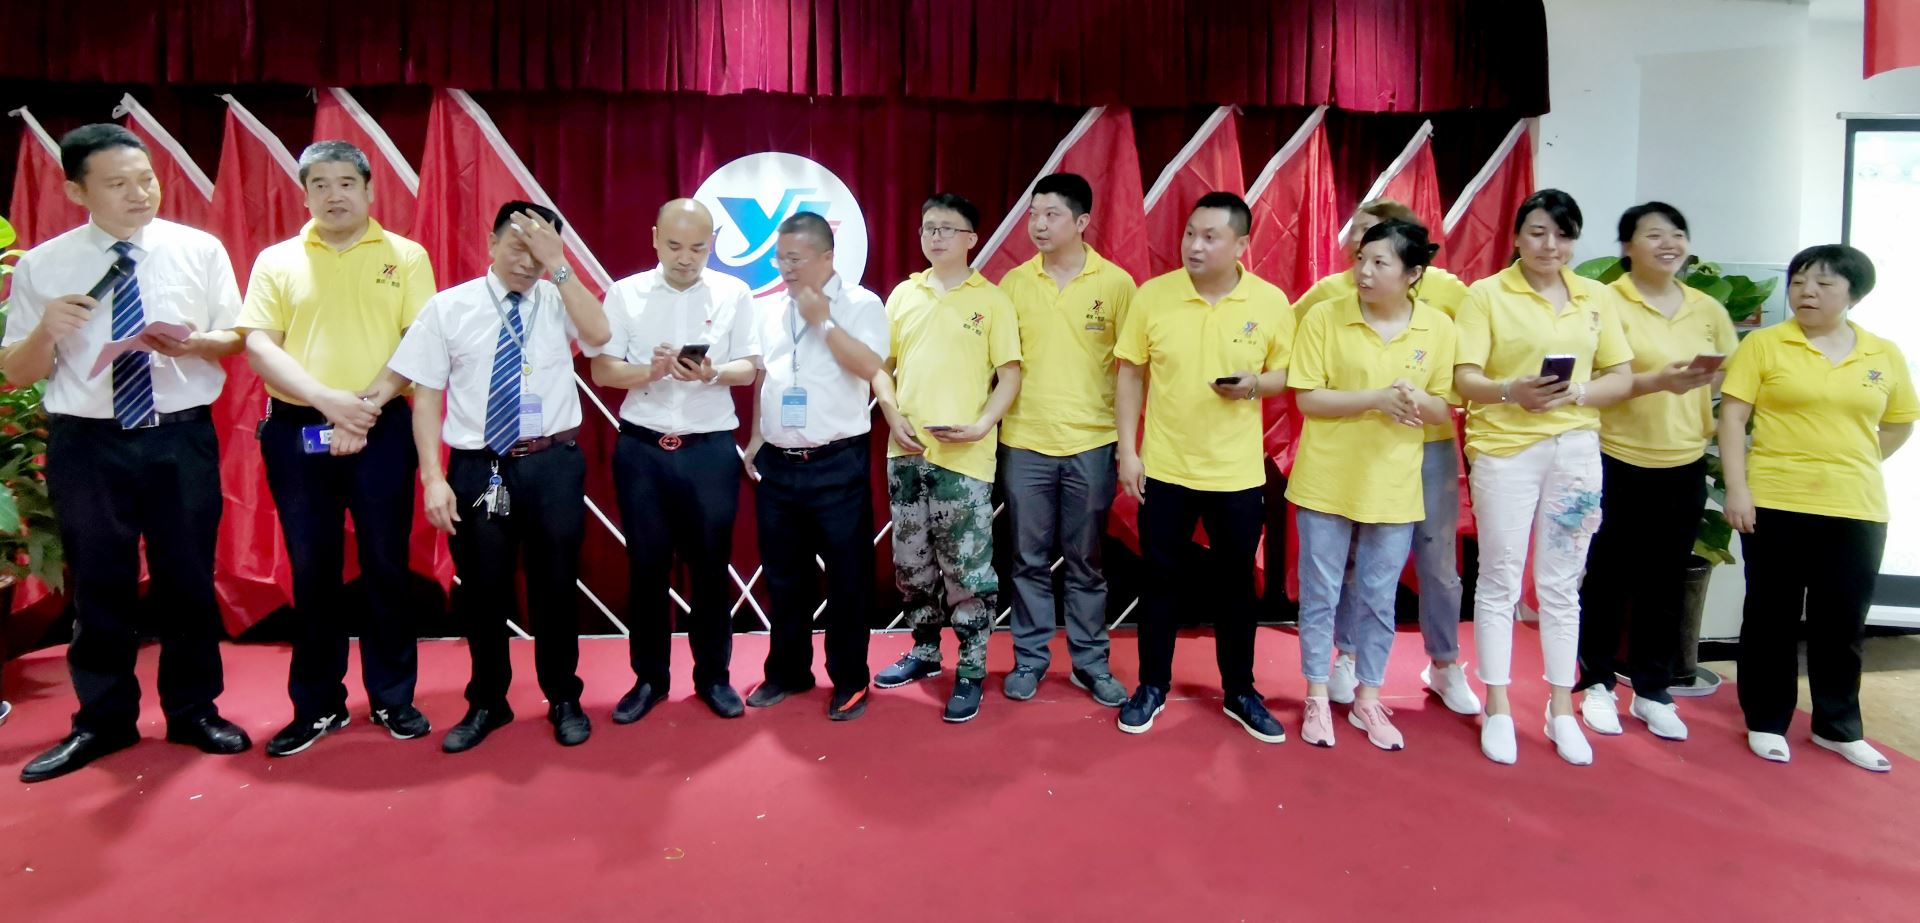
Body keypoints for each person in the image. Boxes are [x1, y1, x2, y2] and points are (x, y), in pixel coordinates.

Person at [7, 124, 249, 782]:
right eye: (118, 184)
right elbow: (16, 372)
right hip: (87, 442)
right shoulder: (43, 265)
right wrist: (46, 331)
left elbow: (234, 336)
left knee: (188, 579)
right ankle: (104, 718)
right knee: (99, 582)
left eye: (146, 179)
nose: (140, 193)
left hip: (178, 434)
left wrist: (193, 344)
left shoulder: (197, 249)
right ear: (76, 191)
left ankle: (194, 709)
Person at [373, 202, 610, 752]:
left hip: (552, 462)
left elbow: (600, 334)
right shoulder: (449, 307)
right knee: (483, 591)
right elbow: (426, 394)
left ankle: (563, 696)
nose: (527, 262)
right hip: (480, 466)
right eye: (517, 247)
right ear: (491, 243)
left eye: (538, 252)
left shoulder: (559, 297)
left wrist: (560, 264)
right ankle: (487, 701)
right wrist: (433, 477)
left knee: (555, 587)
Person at [239, 140, 436, 758]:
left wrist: (363, 408)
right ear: (304, 195)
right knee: (312, 569)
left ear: (369, 190)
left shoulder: (405, 256)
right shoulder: (277, 260)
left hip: (382, 426)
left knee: (386, 564)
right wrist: (329, 402)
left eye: (346, 182)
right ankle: (317, 703)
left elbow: (418, 343)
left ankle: (392, 696)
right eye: (319, 184)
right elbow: (259, 345)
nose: (334, 195)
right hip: (300, 430)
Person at [1451, 189, 1640, 766]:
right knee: (1500, 578)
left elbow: (1621, 376)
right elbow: (1464, 378)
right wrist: (1513, 390)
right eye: (1537, 232)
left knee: (1561, 583)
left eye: (1562, 234)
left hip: (1576, 450)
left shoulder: (1595, 296)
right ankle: (1498, 705)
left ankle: (1561, 709)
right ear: (1516, 237)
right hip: (1505, 450)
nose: (1550, 245)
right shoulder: (1486, 294)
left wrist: (1576, 392)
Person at [1721, 244, 1914, 773]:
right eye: (1799, 281)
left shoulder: (1882, 353)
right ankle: (1766, 720)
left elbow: (1899, 423)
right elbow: (1733, 418)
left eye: (1824, 284)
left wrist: (1851, 460)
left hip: (1856, 504)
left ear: (1854, 293)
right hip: (1776, 498)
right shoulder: (1765, 345)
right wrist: (1737, 489)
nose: (1807, 292)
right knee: (1771, 616)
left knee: (1842, 620)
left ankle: (1837, 726)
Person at [1113, 191, 1293, 743]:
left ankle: (1240, 690)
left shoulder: (1269, 302)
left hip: (1236, 474)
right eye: (1190, 233)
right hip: (1166, 468)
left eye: (1209, 237)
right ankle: (1152, 685)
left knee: (1235, 585)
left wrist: (1254, 385)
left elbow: (1290, 374)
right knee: (1159, 580)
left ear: (1241, 245)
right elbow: (1130, 374)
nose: (1194, 245)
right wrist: (1128, 451)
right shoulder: (1154, 296)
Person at [1292, 199, 1479, 716]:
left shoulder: (1445, 303)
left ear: (1413, 267)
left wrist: (1423, 400)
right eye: (1359, 245)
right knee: (1343, 569)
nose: (1364, 261)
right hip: (1345, 453)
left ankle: (1444, 663)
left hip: (1419, 449)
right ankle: (1344, 660)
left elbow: (1452, 388)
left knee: (1434, 562)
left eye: (1378, 249)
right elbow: (1300, 374)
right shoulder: (1329, 300)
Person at [591, 199, 760, 724]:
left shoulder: (734, 292)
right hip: (643, 449)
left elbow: (750, 367)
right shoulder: (625, 293)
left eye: (698, 247)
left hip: (708, 449)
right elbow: (602, 371)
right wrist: (650, 371)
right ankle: (649, 679)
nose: (686, 258)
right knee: (646, 567)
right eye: (674, 246)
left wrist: (711, 373)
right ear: (654, 238)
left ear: (713, 244)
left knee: (710, 568)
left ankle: (713, 677)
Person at [1575, 202, 1735, 742]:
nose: (1669, 243)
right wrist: (1655, 382)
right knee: (1607, 576)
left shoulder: (1707, 309)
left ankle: (1652, 689)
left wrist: (1695, 384)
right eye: (1654, 235)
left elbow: (1725, 375)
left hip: (1684, 460)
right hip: (1614, 456)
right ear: (1627, 246)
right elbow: (1591, 377)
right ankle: (1597, 683)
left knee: (1665, 582)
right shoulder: (1604, 301)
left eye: (1677, 234)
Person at [872, 193, 1022, 723]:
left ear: (971, 239)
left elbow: (1010, 377)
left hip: (965, 458)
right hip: (906, 452)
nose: (935, 237)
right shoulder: (903, 295)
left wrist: (982, 425)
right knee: (912, 564)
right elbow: (880, 366)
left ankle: (973, 667)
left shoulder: (992, 301)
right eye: (927, 228)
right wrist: (891, 414)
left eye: (947, 229)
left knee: (967, 569)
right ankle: (925, 650)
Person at [741, 211, 890, 722]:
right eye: (779, 258)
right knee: (784, 577)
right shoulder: (768, 309)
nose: (785, 268)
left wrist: (823, 320)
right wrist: (757, 436)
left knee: (848, 578)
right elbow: (767, 376)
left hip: (837, 463)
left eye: (795, 259)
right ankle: (788, 671)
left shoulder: (862, 304)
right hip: (778, 465)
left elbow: (871, 366)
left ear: (827, 257)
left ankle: (849, 678)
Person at [994, 173, 1135, 707]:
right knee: (1027, 558)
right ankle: (1029, 659)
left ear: (1081, 222)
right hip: (1025, 441)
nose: (1038, 224)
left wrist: (1128, 445)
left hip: (1091, 443)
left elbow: (1131, 369)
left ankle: (1090, 662)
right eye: (1033, 214)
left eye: (1051, 214)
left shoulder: (1116, 284)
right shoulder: (1013, 284)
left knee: (1086, 561)